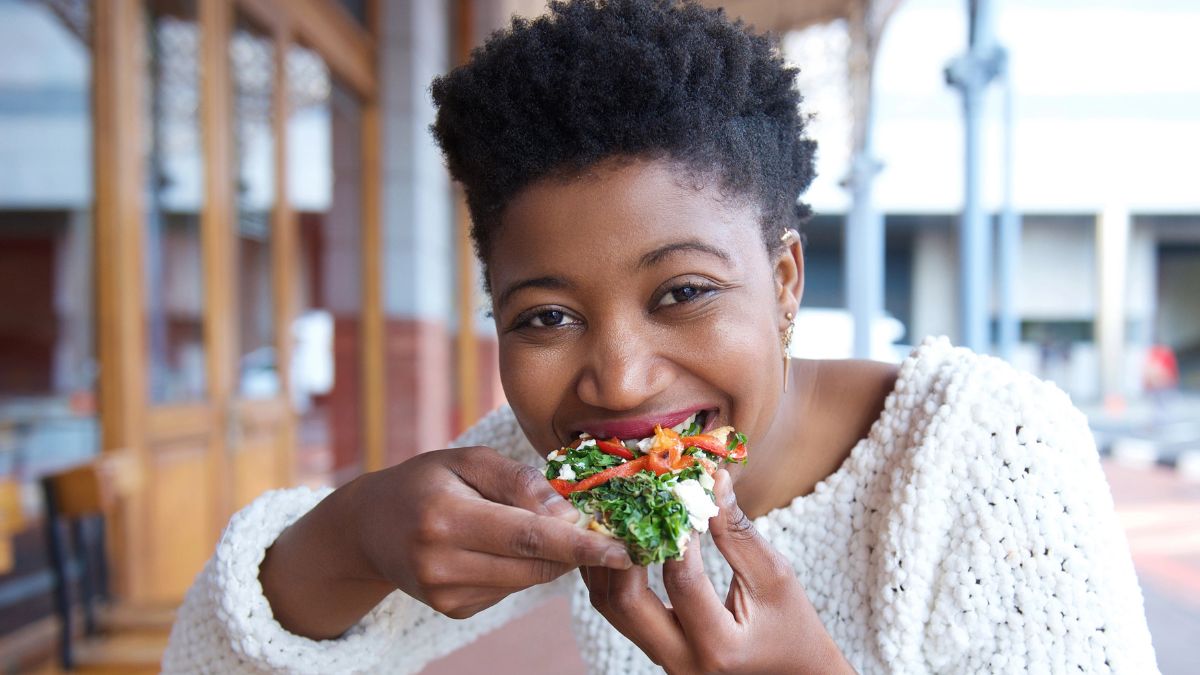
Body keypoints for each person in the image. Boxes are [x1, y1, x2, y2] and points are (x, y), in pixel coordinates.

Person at [162, 1, 1159, 672]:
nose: (621, 380)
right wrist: (350, 538)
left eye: (681, 291)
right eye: (545, 317)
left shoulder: (987, 450)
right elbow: (202, 658)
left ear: (781, 282)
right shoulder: (549, 481)